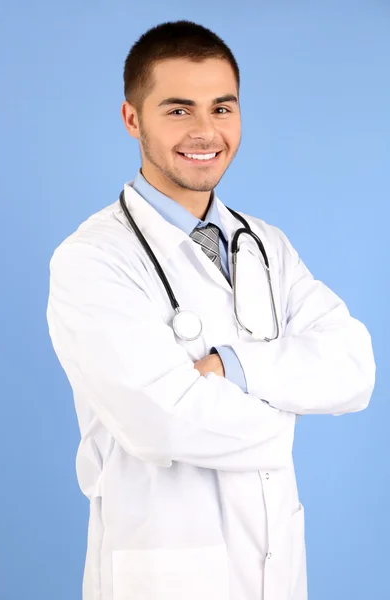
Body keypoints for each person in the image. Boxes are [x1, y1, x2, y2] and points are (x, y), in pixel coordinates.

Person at [46, 20, 375, 600]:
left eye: (222, 109)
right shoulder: (93, 260)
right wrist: (293, 403)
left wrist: (231, 367)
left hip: (278, 571)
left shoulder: (267, 246)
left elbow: (355, 369)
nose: (205, 131)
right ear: (132, 119)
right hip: (165, 576)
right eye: (178, 110)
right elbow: (162, 420)